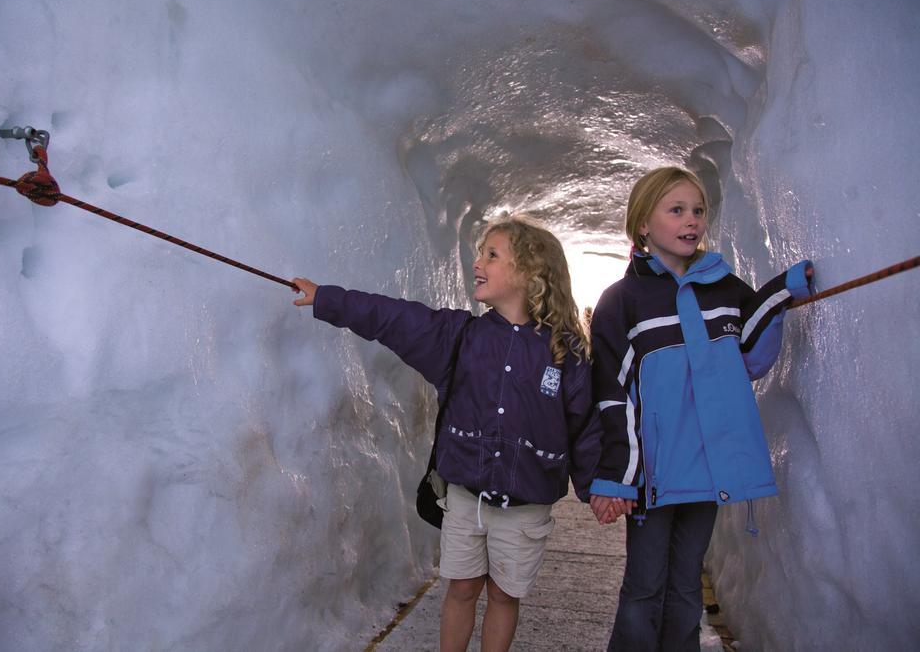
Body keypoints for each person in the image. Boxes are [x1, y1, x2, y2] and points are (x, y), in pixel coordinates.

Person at [292, 215, 597, 652]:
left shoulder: (566, 351)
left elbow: (584, 425)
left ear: (531, 272)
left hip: (526, 504)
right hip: (466, 498)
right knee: (461, 588)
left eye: (492, 254)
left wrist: (599, 487)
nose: (477, 262)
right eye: (479, 253)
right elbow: (392, 317)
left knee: (504, 595)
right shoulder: (459, 337)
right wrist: (328, 299)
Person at [587, 166, 812, 651]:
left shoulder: (725, 288)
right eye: (677, 210)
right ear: (643, 225)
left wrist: (782, 290)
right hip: (655, 472)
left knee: (687, 583)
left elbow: (751, 354)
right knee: (645, 588)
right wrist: (616, 477)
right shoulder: (622, 301)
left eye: (698, 210)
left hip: (709, 468)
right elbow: (612, 394)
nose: (692, 220)